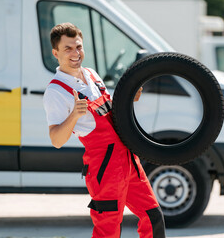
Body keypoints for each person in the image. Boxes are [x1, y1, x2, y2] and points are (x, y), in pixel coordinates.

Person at [43, 22, 166, 238]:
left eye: (78, 47)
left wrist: (130, 98)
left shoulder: (91, 75)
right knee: (108, 230)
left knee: (153, 217)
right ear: (56, 53)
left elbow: (112, 111)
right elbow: (56, 140)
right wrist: (74, 116)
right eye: (68, 48)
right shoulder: (56, 91)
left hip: (128, 160)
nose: (75, 53)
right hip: (104, 167)